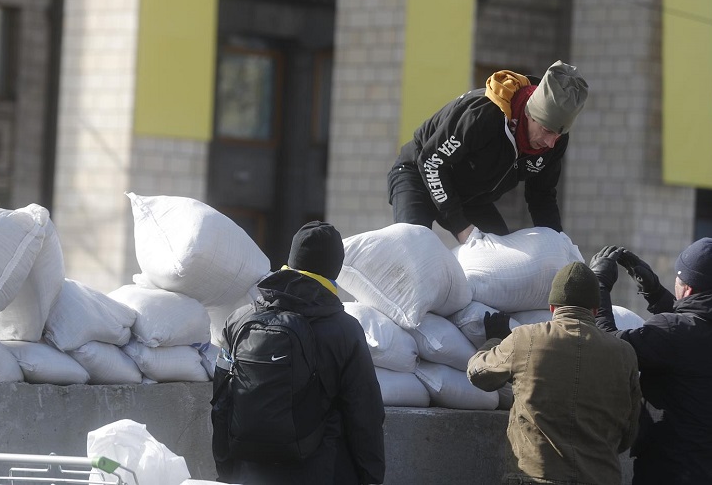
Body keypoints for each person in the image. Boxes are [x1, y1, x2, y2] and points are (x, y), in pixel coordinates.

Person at [212, 221, 385, 484]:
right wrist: (371, 477)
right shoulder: (345, 330)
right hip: (322, 472)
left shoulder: (238, 320)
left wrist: (226, 469)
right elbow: (365, 415)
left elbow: (222, 402)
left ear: (291, 260)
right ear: (335, 268)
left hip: (248, 472)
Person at [589, 238, 712, 485]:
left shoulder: (673, 332)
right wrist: (655, 292)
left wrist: (598, 286)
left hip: (678, 471)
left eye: (677, 281)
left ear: (687, 288)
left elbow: (610, 348)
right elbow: (695, 327)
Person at [467, 261, 641, 485]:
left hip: (535, 476)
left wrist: (495, 340)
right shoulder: (625, 354)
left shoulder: (526, 338)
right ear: (595, 311)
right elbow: (629, 431)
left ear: (552, 308)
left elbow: (477, 374)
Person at [388, 60, 588, 243]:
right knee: (414, 244)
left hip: (471, 197)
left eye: (557, 135)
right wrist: (461, 227)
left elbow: (542, 195)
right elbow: (431, 162)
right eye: (546, 131)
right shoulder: (483, 114)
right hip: (419, 174)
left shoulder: (554, 141)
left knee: (499, 259)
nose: (551, 143)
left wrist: (558, 244)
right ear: (530, 114)